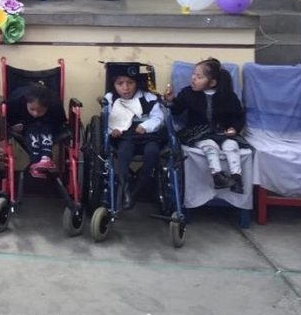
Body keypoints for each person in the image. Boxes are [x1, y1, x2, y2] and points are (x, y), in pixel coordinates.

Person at [165, 58, 246, 194]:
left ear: (212, 82)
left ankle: (236, 178)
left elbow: (238, 116)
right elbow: (177, 110)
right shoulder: (188, 93)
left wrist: (234, 129)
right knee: (210, 146)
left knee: (232, 146)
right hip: (198, 133)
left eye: (199, 77)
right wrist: (171, 100)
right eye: (193, 74)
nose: (193, 78)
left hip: (222, 132)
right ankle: (217, 176)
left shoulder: (228, 96)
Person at [103, 63, 166, 209]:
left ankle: (136, 190)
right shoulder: (110, 98)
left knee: (152, 153)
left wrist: (145, 126)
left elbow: (159, 118)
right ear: (114, 84)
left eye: (130, 83)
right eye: (120, 83)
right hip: (126, 138)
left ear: (136, 83)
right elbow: (106, 119)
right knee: (123, 153)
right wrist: (112, 130)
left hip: (149, 137)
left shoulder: (148, 97)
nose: (125, 88)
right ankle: (125, 189)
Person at [7, 83, 67, 178]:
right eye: (32, 109)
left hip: (47, 124)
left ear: (47, 107)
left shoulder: (55, 105)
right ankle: (36, 162)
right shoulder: (16, 101)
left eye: (40, 111)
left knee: (46, 131)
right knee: (32, 132)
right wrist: (13, 126)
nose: (35, 113)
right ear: (27, 102)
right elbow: (8, 119)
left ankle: (45, 159)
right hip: (25, 125)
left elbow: (60, 123)